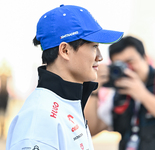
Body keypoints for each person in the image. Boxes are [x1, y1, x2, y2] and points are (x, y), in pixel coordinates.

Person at [6, 5, 123, 150]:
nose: (100, 57)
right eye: (94, 46)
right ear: (65, 50)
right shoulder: (39, 117)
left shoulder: (66, 102)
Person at [85, 36, 155, 150]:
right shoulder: (118, 93)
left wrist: (142, 94)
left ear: (145, 58)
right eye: (119, 65)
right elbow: (91, 130)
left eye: (130, 62)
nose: (127, 69)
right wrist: (94, 89)